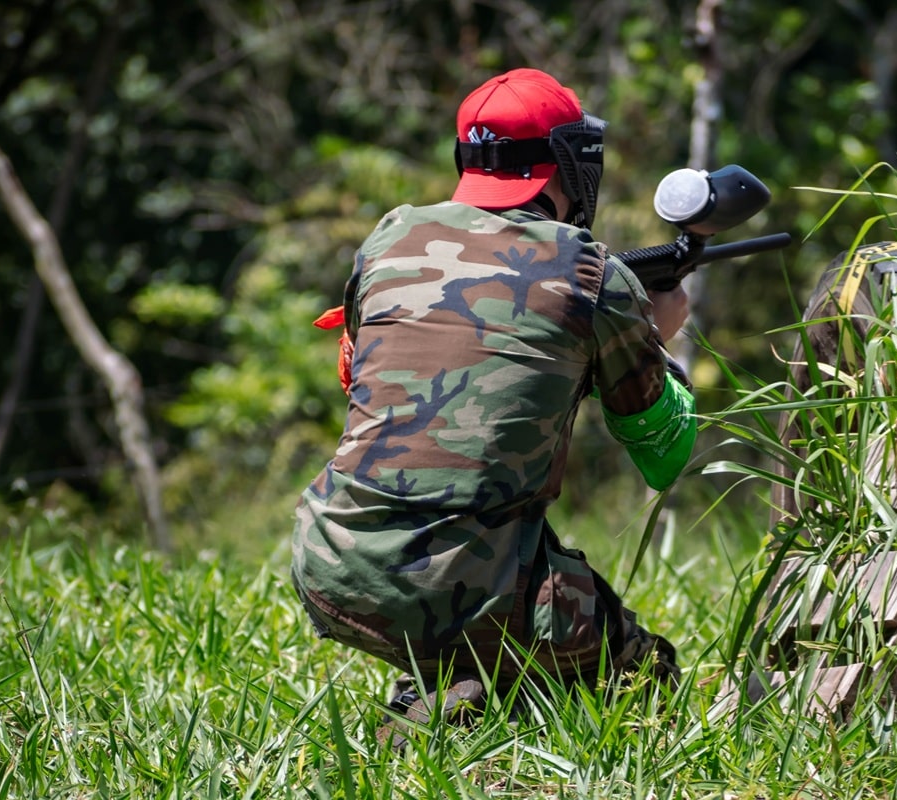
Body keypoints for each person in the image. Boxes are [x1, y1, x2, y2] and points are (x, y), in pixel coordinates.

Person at [291, 68, 697, 726]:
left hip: (332, 565)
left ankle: (440, 704)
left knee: (501, 646)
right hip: (465, 589)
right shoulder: (591, 270)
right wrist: (660, 337)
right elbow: (664, 453)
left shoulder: (389, 239)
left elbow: (377, 391)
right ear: (572, 162)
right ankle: (446, 714)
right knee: (646, 684)